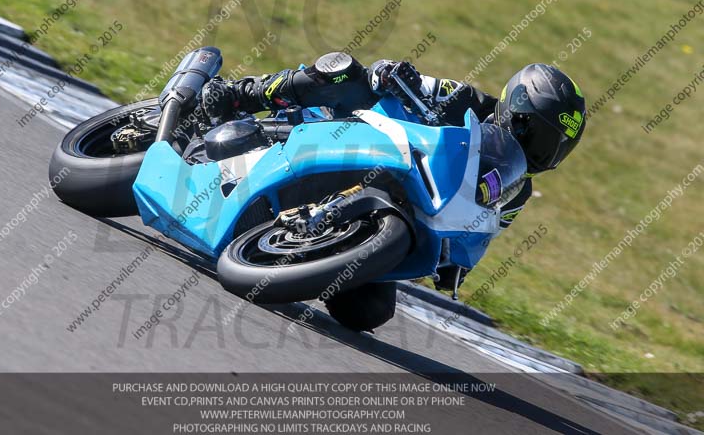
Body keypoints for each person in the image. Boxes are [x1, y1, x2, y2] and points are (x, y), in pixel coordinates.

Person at [201, 52, 587, 330]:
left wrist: (456, 266)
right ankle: (241, 94)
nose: (542, 155)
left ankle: (303, 250)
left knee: (369, 311)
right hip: (365, 142)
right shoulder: (465, 99)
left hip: (401, 211)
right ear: (515, 111)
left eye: (556, 149)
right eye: (539, 138)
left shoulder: (516, 189)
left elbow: (479, 230)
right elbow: (402, 78)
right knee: (345, 71)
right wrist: (391, 73)